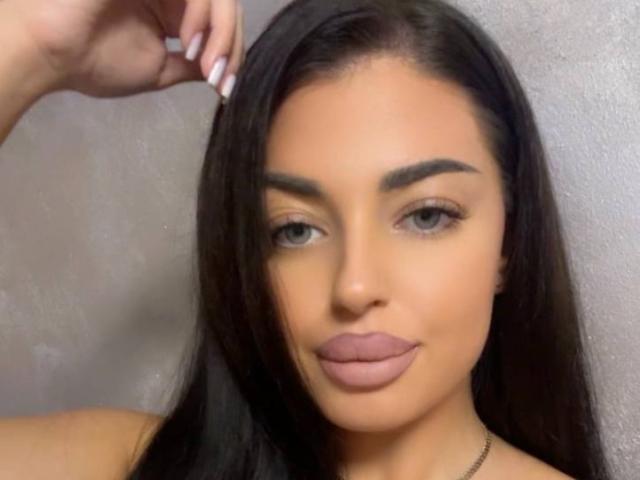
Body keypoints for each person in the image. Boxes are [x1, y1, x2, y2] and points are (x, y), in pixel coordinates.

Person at [0, 0, 613, 479]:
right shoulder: (128, 464)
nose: (354, 287)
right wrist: (31, 48)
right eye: (294, 229)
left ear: (508, 242)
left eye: (426, 216)